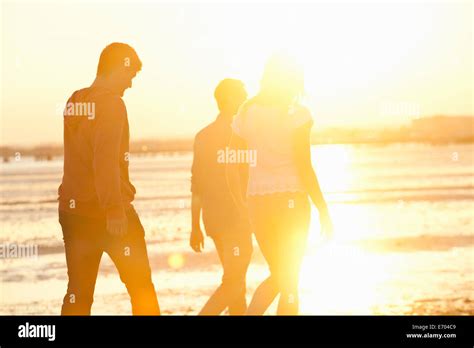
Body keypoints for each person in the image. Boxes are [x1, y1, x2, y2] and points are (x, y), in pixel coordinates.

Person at [226, 54, 333, 315]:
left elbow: (231, 162)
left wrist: (242, 201)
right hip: (292, 201)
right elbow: (303, 165)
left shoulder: (247, 112)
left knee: (281, 275)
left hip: (258, 202)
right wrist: (323, 209)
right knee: (288, 279)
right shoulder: (297, 115)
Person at [58, 43, 160, 315]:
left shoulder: (75, 101)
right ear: (118, 68)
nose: (130, 84)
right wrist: (114, 210)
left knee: (78, 294)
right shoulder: (112, 105)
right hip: (108, 214)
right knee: (142, 289)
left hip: (73, 212)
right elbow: (104, 161)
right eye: (130, 75)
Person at [190, 78, 253, 315]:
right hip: (236, 218)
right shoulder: (241, 134)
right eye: (242, 97)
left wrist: (195, 225)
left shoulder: (203, 136)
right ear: (229, 100)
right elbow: (198, 183)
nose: (245, 102)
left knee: (236, 283)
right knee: (234, 283)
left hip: (214, 220)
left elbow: (196, 185)